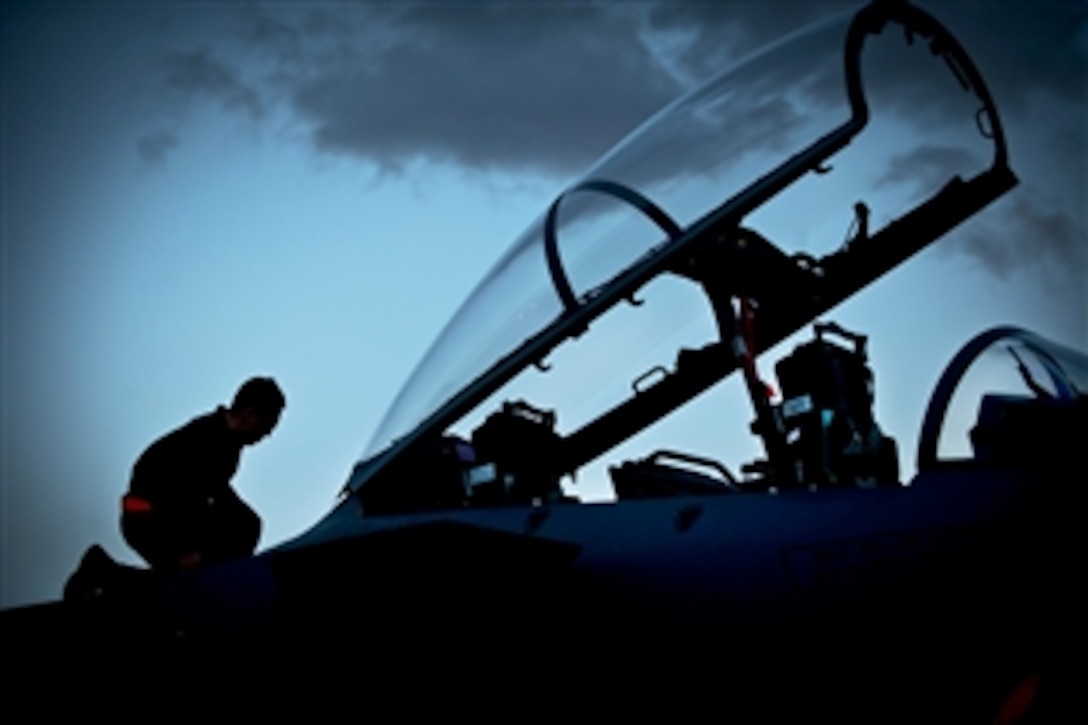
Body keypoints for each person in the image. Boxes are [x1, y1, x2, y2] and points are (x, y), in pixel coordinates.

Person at [120, 377, 285, 571]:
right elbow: (166, 487)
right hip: (147, 518)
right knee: (243, 527)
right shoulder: (205, 440)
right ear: (249, 414)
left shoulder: (227, 444)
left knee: (247, 524)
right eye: (265, 428)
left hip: (167, 513)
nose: (265, 437)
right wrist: (184, 551)